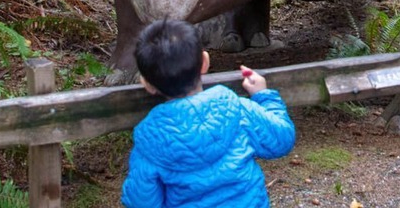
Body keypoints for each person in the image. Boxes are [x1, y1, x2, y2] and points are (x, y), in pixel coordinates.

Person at [121, 19, 296, 208]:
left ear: (146, 83)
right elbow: (282, 139)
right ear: (205, 62)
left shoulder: (149, 141)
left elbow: (141, 202)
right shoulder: (237, 108)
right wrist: (263, 96)